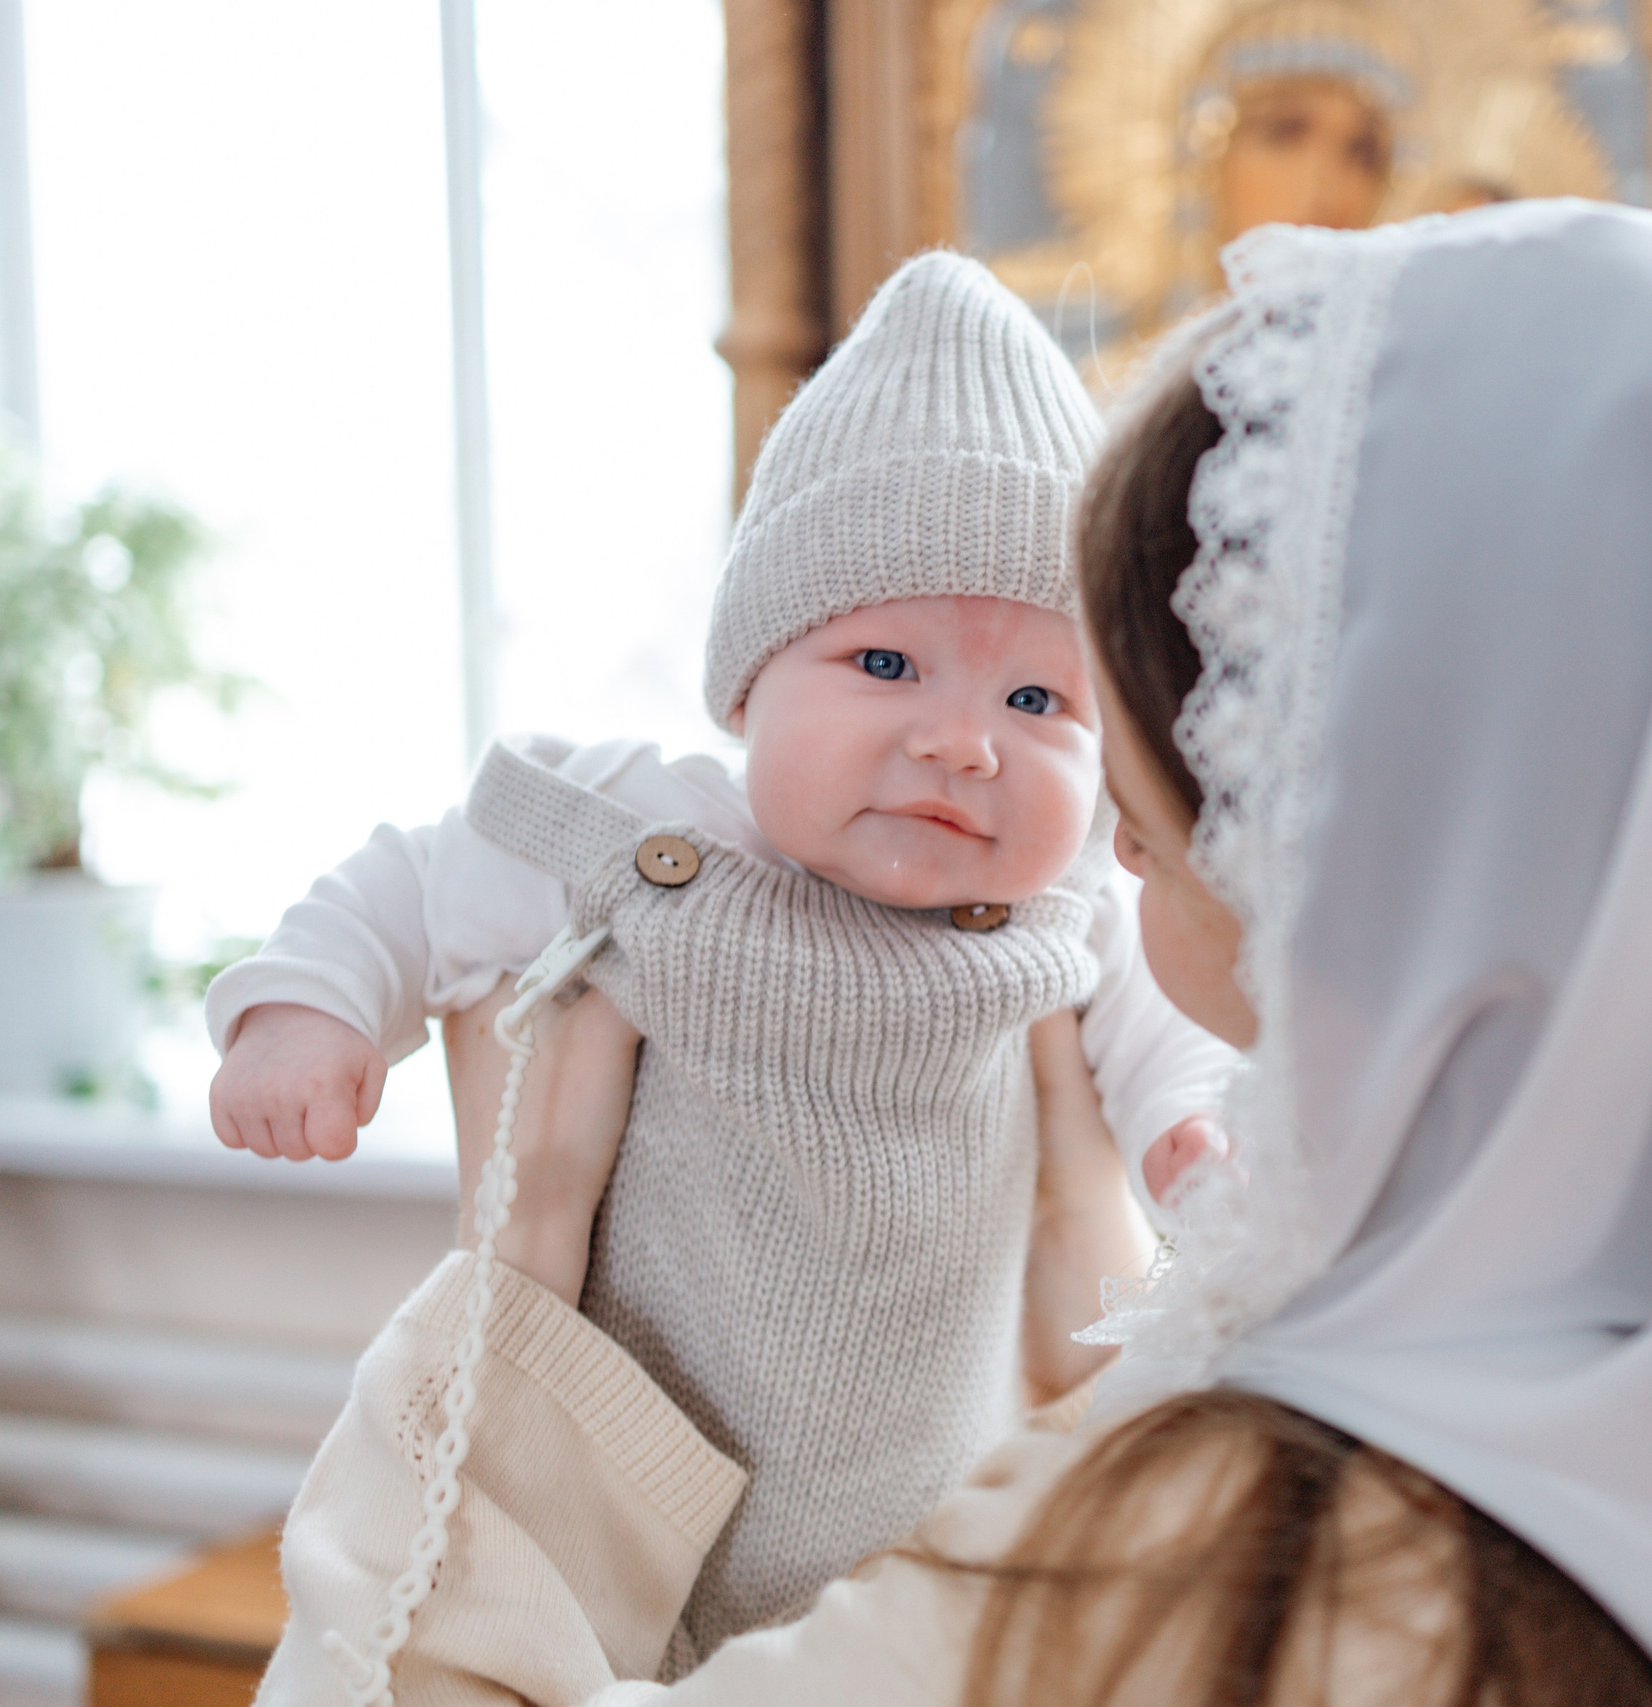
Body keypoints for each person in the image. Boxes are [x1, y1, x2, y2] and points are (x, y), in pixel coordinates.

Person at [259, 200, 1652, 1705]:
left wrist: (513, 1303)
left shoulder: (1237, 1570)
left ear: (1391, 828)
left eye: (1133, 752)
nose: (1091, 826)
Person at [206, 252, 1237, 1670]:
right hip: (626, 1485)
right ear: (752, 685)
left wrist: (1196, 1129)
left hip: (934, 1496)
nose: (959, 738)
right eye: (885, 666)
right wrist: (310, 1013)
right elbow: (416, 878)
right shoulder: (655, 826)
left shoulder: (1071, 915)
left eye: (1037, 698)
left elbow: (1169, 1036)